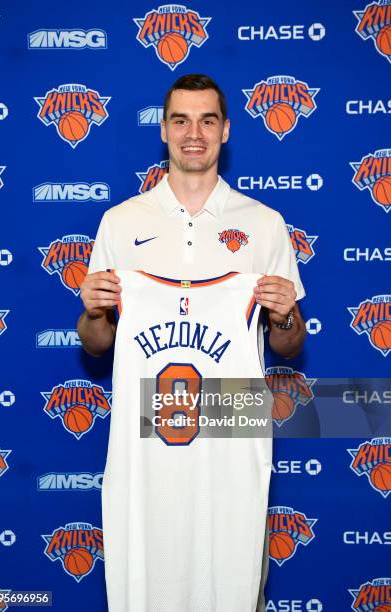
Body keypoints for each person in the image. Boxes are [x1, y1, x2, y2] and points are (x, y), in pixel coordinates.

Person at [77, 74, 306, 611]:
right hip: (146, 428)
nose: (193, 134)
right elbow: (95, 344)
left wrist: (284, 315)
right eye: (181, 120)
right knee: (148, 579)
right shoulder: (120, 222)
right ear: (165, 130)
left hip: (231, 422)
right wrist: (92, 311)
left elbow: (290, 346)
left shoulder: (266, 224)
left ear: (225, 131)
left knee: (229, 579)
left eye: (207, 120)